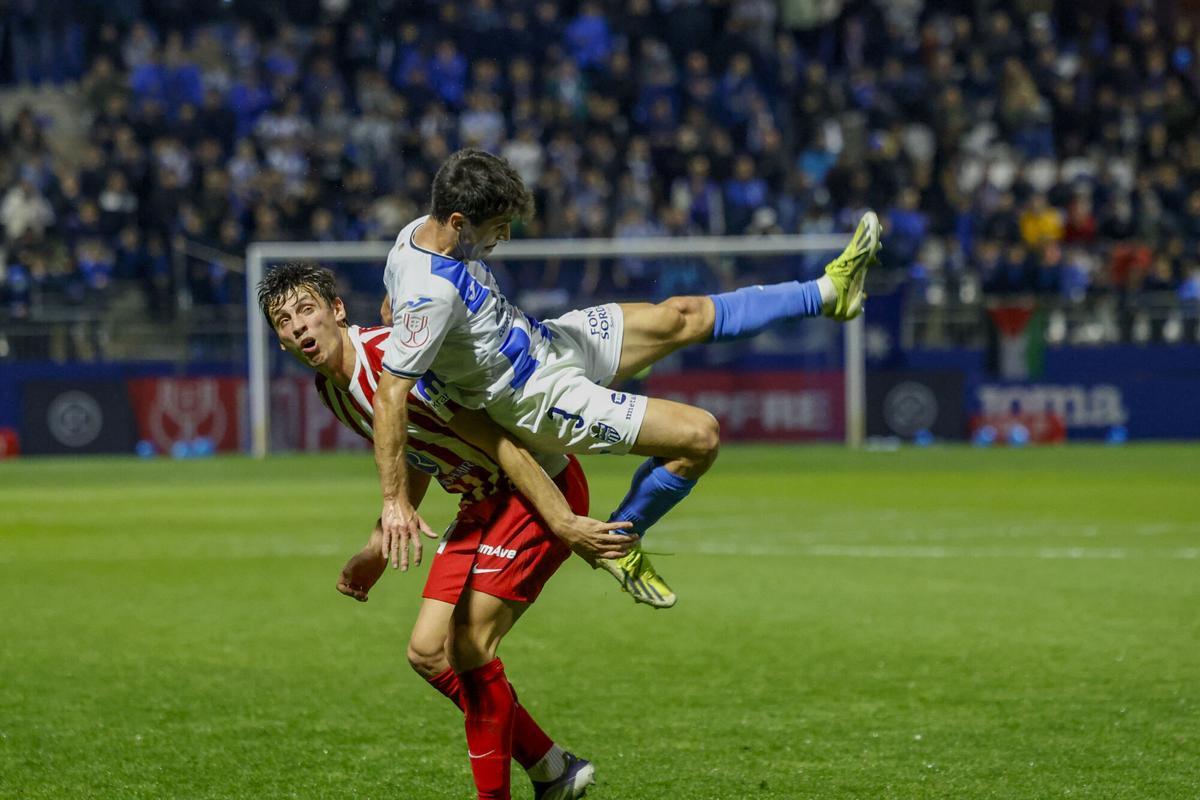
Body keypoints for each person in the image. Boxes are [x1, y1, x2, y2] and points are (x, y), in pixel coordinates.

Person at [374, 150, 882, 608]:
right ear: (459, 221)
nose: (504, 237)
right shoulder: (432, 293)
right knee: (700, 438)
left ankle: (828, 291)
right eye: (498, 226)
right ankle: (624, 543)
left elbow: (392, 313)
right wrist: (394, 501)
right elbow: (392, 392)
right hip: (539, 397)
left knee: (677, 316)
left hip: (546, 342)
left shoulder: (419, 233)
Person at [258, 263, 631, 800]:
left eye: (307, 310)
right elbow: (414, 455)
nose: (297, 327)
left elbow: (501, 442)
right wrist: (376, 548)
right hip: (482, 501)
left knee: (467, 649)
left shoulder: (393, 359)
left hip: (532, 488)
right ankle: (553, 769)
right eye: (283, 320)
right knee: (427, 653)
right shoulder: (333, 390)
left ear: (336, 311)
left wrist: (561, 519)